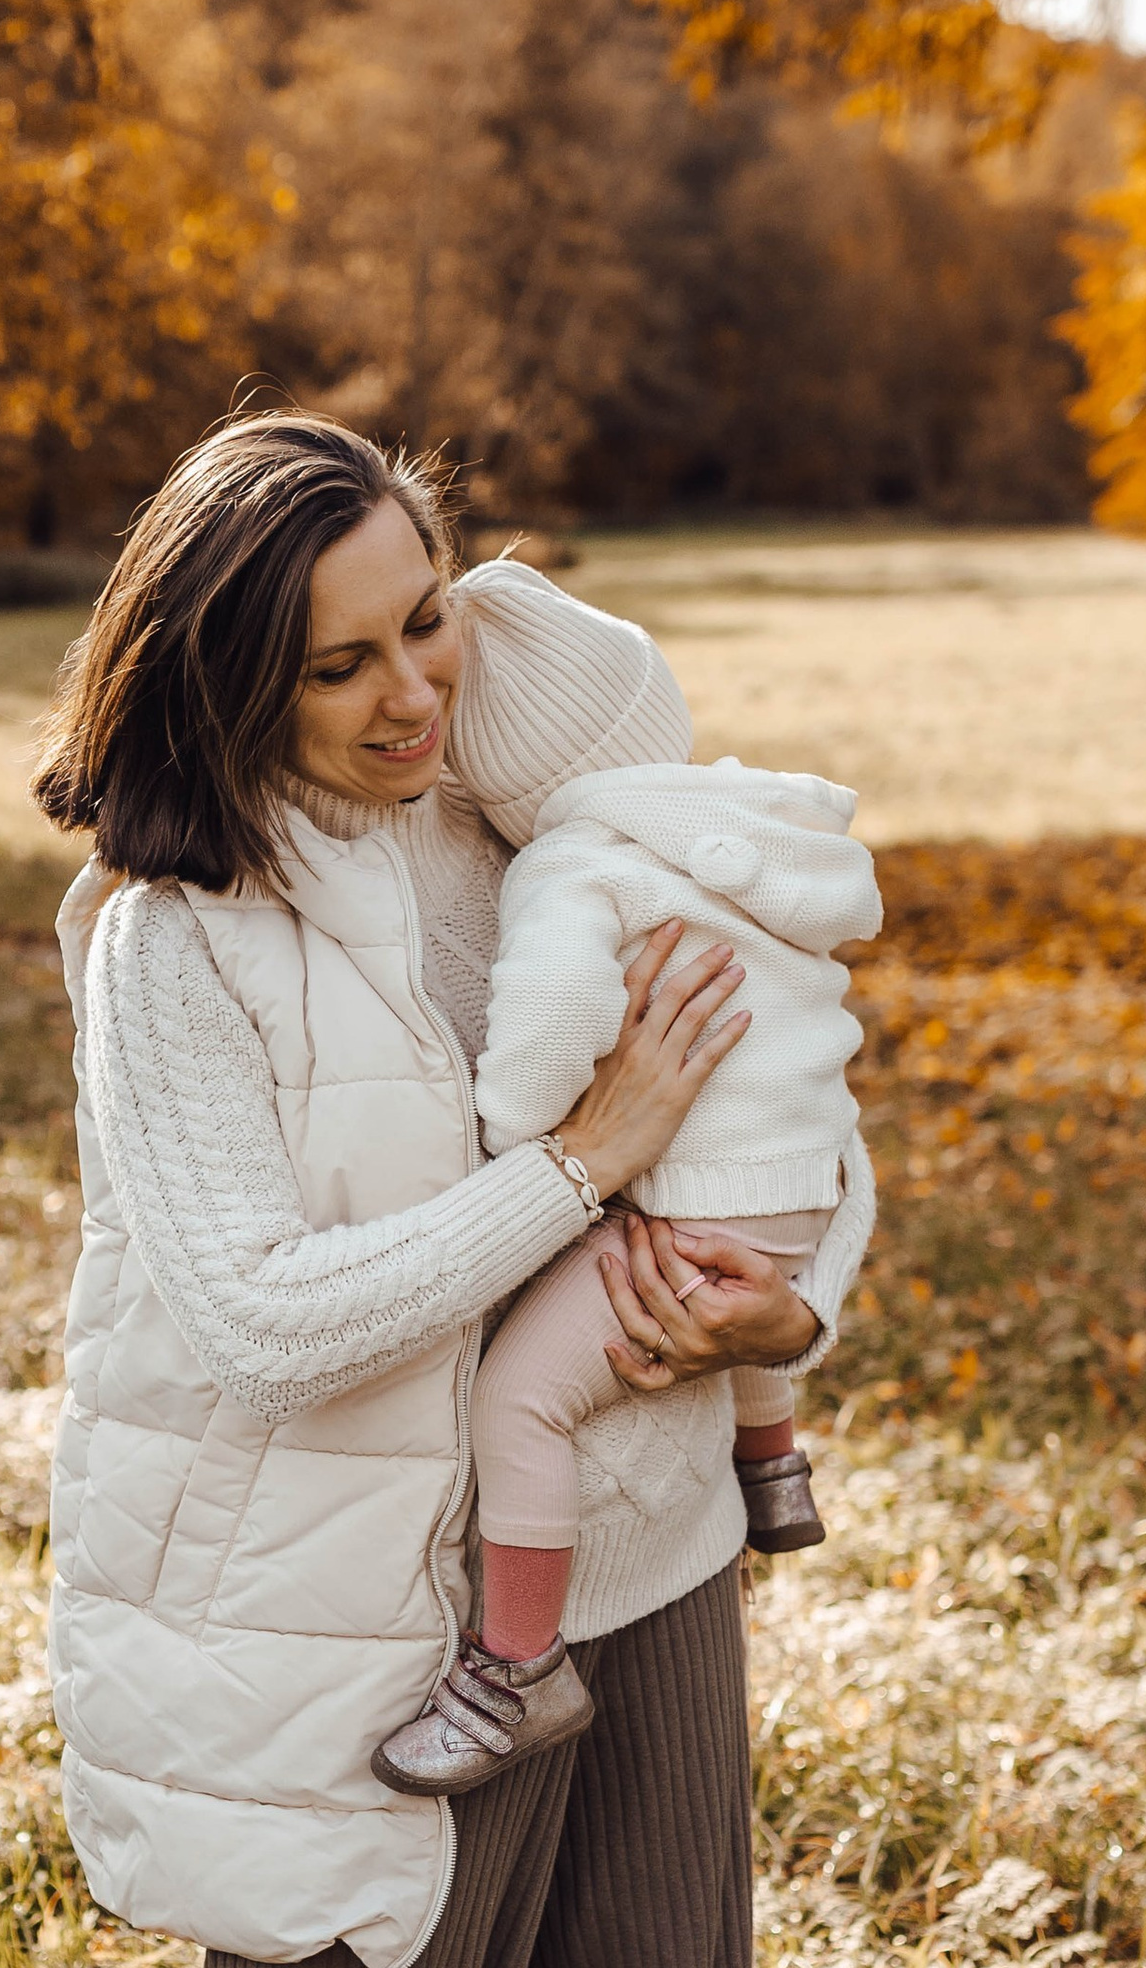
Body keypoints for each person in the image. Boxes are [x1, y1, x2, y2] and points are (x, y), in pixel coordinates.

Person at [28, 409, 876, 1968]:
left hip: (647, 1540)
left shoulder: (545, 828)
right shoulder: (172, 943)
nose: (410, 695)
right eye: (336, 665)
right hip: (354, 1607)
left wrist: (786, 1319)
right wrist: (578, 1156)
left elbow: (789, 1117)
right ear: (218, 675)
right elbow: (267, 1314)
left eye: (424, 625)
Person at [373, 558, 881, 1797]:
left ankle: (517, 1664)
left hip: (692, 1197)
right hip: (802, 1182)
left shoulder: (578, 859)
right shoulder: (755, 824)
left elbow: (549, 1015)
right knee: (738, 1284)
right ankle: (772, 1462)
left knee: (521, 1405)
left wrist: (518, 1133)